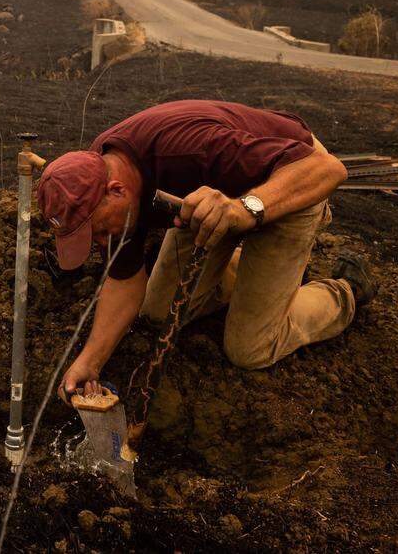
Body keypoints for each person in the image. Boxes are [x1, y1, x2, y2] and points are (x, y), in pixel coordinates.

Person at [35, 100, 376, 401]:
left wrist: (245, 209)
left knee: (250, 348)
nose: (99, 242)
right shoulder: (103, 177)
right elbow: (124, 281)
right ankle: (264, 277)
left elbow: (329, 169)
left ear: (117, 190)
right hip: (213, 203)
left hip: (292, 174)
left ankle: (344, 291)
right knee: (157, 313)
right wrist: (89, 361)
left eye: (97, 231)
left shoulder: (187, 151)